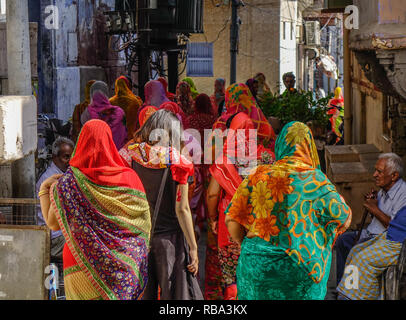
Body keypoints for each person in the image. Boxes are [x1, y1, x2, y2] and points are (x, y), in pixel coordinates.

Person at [225, 121, 352, 300]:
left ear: (280, 145)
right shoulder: (317, 182)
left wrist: (244, 244)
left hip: (257, 264)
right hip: (300, 270)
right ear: (310, 148)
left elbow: (232, 219)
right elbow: (344, 219)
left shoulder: (258, 175)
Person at [38, 120, 151, 300]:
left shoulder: (69, 182)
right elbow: (140, 226)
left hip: (79, 264)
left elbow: (52, 224)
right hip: (121, 268)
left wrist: (45, 189)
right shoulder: (130, 178)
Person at [119, 109, 203, 300]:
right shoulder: (179, 162)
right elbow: (182, 209)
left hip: (140, 240)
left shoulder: (131, 156)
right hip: (170, 241)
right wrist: (193, 247)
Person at [207, 112, 274, 300]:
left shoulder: (225, 159)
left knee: (232, 277)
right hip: (260, 224)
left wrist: (212, 219)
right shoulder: (267, 157)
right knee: (257, 274)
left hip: (230, 224)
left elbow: (212, 193)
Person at [335, 153, 406, 285]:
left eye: (379, 171)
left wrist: (374, 209)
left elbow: (396, 228)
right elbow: (379, 218)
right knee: (343, 241)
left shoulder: (403, 194)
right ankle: (344, 286)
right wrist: (373, 203)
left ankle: (353, 289)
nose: (374, 175)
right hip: (370, 233)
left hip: (384, 240)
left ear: (394, 176)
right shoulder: (383, 190)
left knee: (356, 251)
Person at [337, 204, 406, 300]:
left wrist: (374, 208)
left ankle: (357, 296)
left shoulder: (402, 193)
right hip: (388, 234)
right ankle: (347, 293)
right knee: (354, 252)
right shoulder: (381, 195)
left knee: (361, 259)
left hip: (398, 241)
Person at [36, 137, 74, 260]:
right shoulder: (53, 179)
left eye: (71, 157)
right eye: (66, 157)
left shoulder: (63, 174)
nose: (69, 161)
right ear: (54, 157)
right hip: (54, 237)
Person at [81, 81, 127, 150]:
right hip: (117, 155)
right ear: (106, 93)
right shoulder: (119, 112)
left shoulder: (87, 113)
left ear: (91, 94)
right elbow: (124, 135)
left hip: (97, 155)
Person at [109, 76, 143, 140]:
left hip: (116, 137)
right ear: (128, 86)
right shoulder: (136, 101)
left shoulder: (110, 102)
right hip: (132, 137)